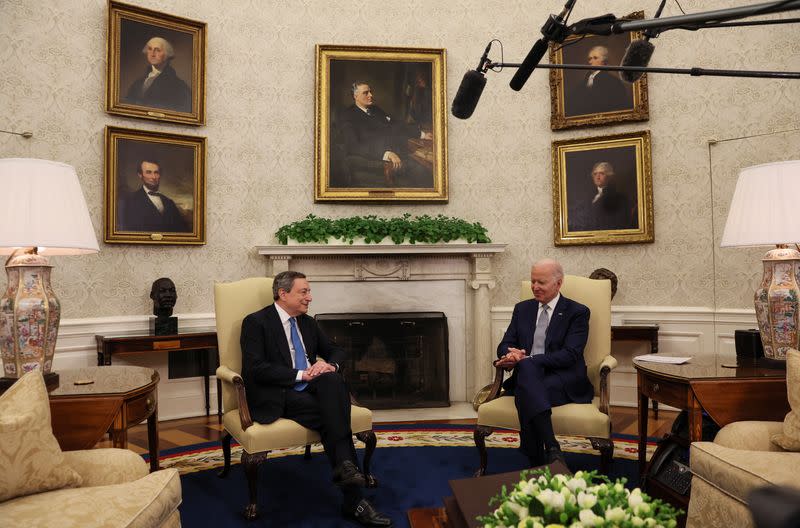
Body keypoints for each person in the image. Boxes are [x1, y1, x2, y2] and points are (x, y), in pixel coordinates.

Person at [240, 271, 391, 527]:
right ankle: (354, 500)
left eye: (309, 292)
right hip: (277, 393)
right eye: (304, 292)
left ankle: (345, 470)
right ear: (283, 293)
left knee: (332, 379)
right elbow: (255, 369)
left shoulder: (306, 323)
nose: (310, 297)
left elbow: (337, 351)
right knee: (334, 413)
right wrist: (301, 374)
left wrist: (328, 365)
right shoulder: (256, 322)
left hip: (311, 388)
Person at [496, 259, 594, 467]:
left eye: (541, 282)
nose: (534, 287)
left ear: (558, 284)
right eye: (532, 281)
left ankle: (535, 461)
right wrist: (510, 354)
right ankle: (552, 449)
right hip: (530, 377)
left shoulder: (577, 312)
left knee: (526, 386)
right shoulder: (522, 309)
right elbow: (505, 343)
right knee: (526, 374)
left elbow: (570, 354)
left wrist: (528, 360)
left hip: (563, 378)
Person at [334, 81, 431, 188]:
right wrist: (386, 154)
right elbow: (354, 146)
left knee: (425, 168)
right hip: (377, 161)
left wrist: (421, 134)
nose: (371, 95)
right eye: (366, 93)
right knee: (423, 172)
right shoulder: (348, 116)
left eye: (370, 92)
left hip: (398, 154)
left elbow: (396, 124)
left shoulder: (375, 109)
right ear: (355, 96)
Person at [117, 159, 190, 233]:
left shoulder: (169, 202)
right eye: (149, 172)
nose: (154, 177)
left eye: (156, 172)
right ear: (140, 175)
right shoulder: (129, 201)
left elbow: (182, 230)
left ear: (160, 175)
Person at [124, 36, 191, 112]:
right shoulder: (138, 83)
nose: (152, 54)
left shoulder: (178, 85)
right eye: (150, 49)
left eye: (157, 50)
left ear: (167, 55)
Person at [568, 161, 635, 232]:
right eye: (595, 174)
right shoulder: (588, 197)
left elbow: (620, 223)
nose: (597, 177)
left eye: (602, 173)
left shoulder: (620, 198)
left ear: (609, 176)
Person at [566, 45, 631, 117]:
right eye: (589, 59)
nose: (590, 62)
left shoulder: (613, 82)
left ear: (604, 61)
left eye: (595, 58)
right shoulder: (583, 83)